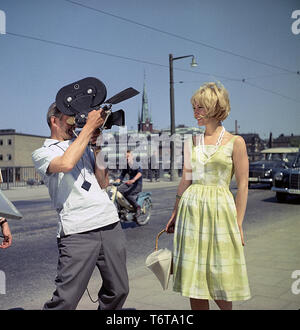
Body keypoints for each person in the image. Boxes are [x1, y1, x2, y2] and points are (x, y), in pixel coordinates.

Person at [32, 102, 129, 310]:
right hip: (77, 230)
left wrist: (97, 147)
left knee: (119, 290)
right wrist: (88, 129)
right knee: (66, 300)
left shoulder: (82, 143)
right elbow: (66, 164)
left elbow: (103, 182)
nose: (74, 124)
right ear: (54, 121)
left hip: (109, 223)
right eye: (69, 119)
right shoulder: (42, 153)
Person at [166, 82, 251, 310]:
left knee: (220, 278)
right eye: (194, 107)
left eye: (200, 107)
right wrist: (175, 212)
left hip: (220, 212)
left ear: (215, 108)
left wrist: (239, 224)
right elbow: (186, 179)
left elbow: (243, 185)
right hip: (191, 212)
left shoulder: (236, 142)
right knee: (195, 281)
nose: (195, 112)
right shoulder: (192, 142)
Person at [115, 150, 142, 217]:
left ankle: (137, 208)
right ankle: (123, 207)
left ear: (132, 156)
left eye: (128, 156)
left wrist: (133, 180)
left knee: (127, 193)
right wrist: (118, 180)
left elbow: (140, 173)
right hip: (130, 183)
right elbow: (122, 175)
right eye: (125, 157)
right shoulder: (126, 165)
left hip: (137, 184)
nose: (126, 158)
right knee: (118, 190)